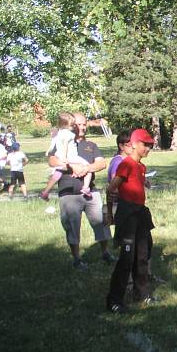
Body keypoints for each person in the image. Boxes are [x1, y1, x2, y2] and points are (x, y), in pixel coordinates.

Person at [47, 112, 114, 270]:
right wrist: (71, 166)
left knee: (101, 222)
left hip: (90, 191)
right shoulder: (63, 140)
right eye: (79, 124)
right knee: (72, 226)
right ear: (71, 125)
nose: (82, 127)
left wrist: (86, 168)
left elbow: (101, 163)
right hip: (68, 192)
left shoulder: (91, 145)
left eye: (84, 124)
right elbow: (52, 160)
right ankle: (77, 259)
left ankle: (105, 253)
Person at [106, 128, 156, 312]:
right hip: (127, 214)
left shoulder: (141, 167)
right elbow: (111, 188)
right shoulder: (126, 164)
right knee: (127, 257)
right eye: (145, 145)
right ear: (134, 144)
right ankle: (114, 300)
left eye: (150, 146)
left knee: (142, 255)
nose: (148, 149)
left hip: (140, 213)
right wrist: (110, 215)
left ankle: (142, 293)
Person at [40, 112, 93, 201]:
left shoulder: (59, 133)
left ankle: (45, 192)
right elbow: (65, 145)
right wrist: (65, 157)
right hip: (71, 156)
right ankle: (86, 187)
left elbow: (54, 143)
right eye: (72, 125)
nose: (73, 127)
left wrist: (48, 151)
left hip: (59, 156)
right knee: (88, 167)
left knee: (57, 174)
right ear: (66, 124)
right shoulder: (69, 134)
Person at [106, 131, 133, 226]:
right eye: (130, 145)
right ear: (121, 146)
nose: (133, 147)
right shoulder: (118, 162)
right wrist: (110, 213)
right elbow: (113, 185)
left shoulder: (127, 161)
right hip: (122, 206)